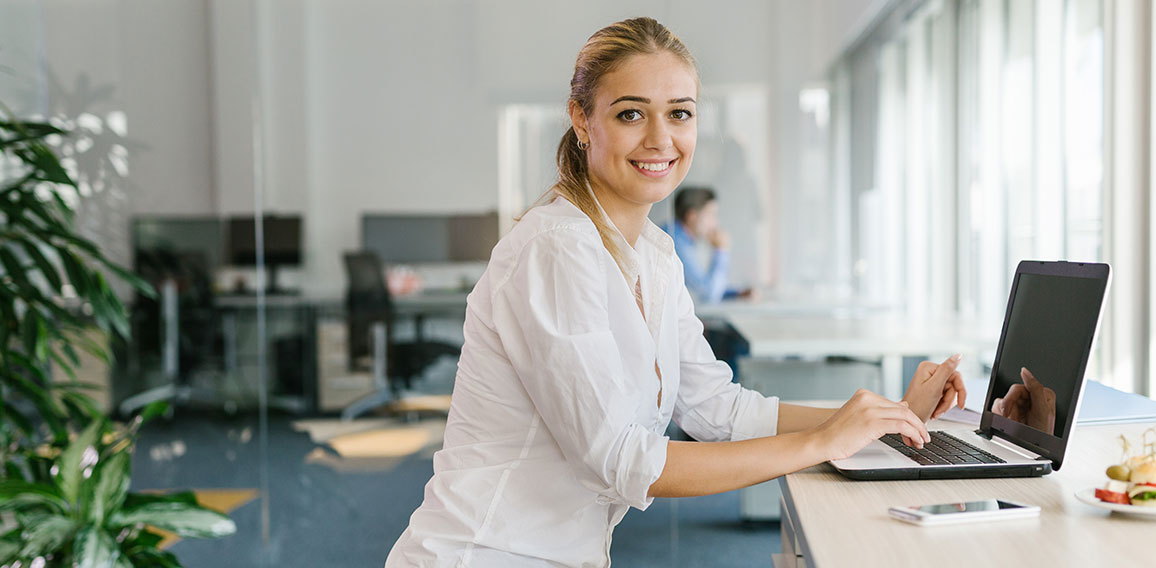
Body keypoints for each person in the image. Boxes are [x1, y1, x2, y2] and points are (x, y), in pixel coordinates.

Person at [385, 17, 966, 567]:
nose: (661, 139)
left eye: (680, 113)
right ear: (582, 119)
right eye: (631, 114)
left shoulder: (655, 257)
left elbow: (718, 409)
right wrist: (824, 442)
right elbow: (621, 461)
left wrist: (887, 418)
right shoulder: (557, 248)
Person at [661, 186, 753, 304]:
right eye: (711, 215)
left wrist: (736, 294)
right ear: (692, 216)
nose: (715, 223)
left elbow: (702, 286)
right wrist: (721, 250)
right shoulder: (675, 242)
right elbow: (708, 294)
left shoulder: (681, 238)